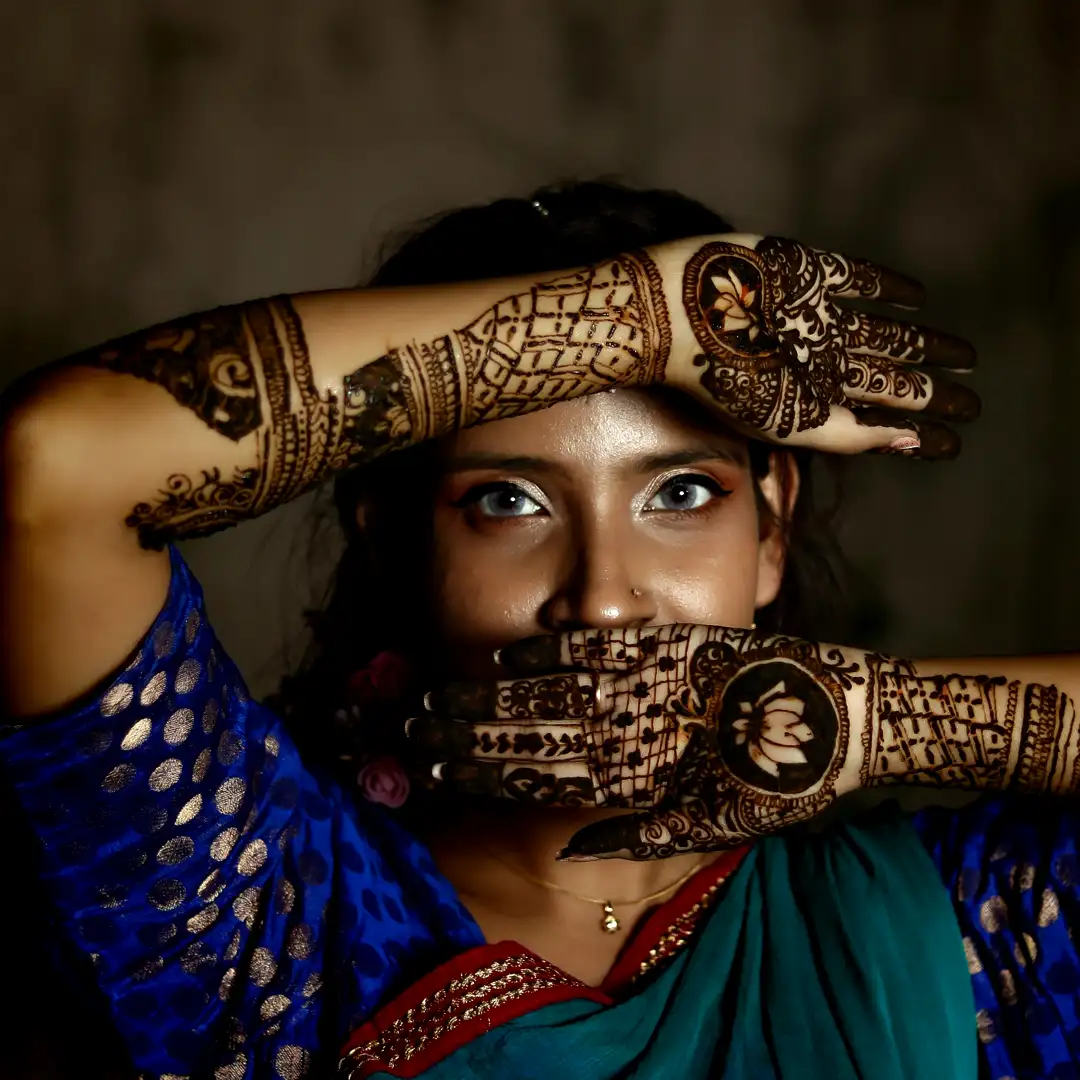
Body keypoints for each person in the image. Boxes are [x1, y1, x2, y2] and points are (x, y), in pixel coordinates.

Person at [1, 181, 1076, 1080]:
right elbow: (57, 465)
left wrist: (878, 720)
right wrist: (649, 321)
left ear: (772, 529)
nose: (604, 600)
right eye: (510, 503)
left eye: (681, 496)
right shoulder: (271, 917)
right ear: (394, 547)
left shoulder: (952, 933)